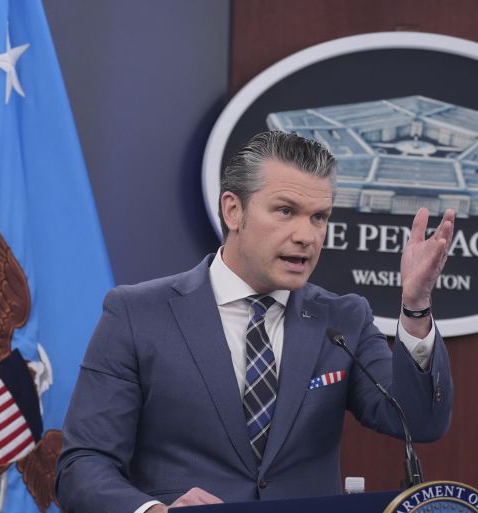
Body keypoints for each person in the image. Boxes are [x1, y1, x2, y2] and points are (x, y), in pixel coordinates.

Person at [55, 131, 455, 513]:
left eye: (319, 217)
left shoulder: (343, 319)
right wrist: (157, 510)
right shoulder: (137, 314)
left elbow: (419, 420)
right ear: (234, 210)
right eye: (286, 211)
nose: (307, 236)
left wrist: (416, 305)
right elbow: (82, 465)